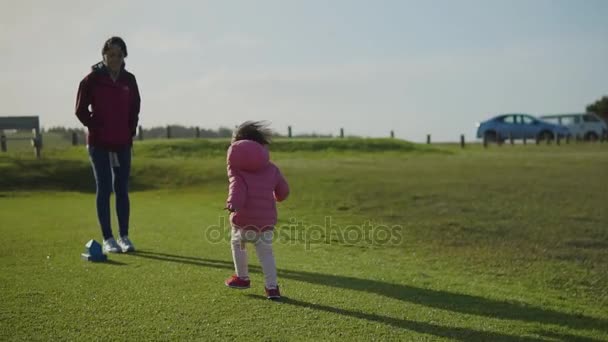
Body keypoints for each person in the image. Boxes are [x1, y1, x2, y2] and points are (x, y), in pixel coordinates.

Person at [75, 36, 141, 253]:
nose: (115, 59)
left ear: (124, 57)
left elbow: (135, 108)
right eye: (111, 55)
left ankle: (124, 236)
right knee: (104, 187)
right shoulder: (92, 79)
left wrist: (129, 131)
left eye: (119, 55)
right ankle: (108, 238)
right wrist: (97, 127)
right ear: (104, 55)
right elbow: (80, 110)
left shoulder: (129, 80)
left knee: (121, 188)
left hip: (122, 142)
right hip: (99, 143)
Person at [224, 121, 289, 299]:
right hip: (266, 223)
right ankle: (272, 288)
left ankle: (242, 277)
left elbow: (237, 188)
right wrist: (278, 198)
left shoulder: (237, 169)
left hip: (243, 222)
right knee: (266, 254)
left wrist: (233, 204)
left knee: (238, 244)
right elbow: (283, 191)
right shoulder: (272, 168)